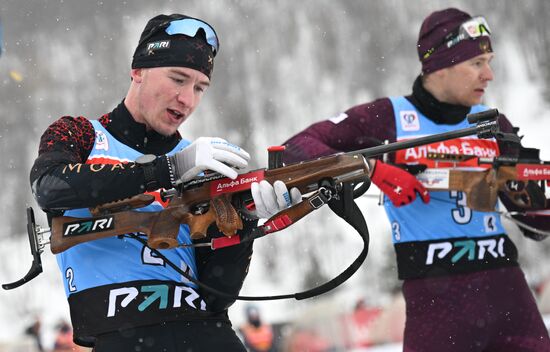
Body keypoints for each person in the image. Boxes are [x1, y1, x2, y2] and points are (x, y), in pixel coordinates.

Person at [282, 7, 550, 352]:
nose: (490, 75)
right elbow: (294, 150)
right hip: (435, 301)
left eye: (490, 61)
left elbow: (535, 223)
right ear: (440, 64)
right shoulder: (386, 118)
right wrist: (372, 169)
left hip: (508, 298)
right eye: (477, 63)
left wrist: (531, 191)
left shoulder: (494, 124)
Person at [30, 13, 300, 352]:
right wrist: (166, 170)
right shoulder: (81, 133)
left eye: (200, 87)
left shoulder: (204, 161)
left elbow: (220, 294)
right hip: (120, 334)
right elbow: (49, 186)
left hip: (207, 332)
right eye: (177, 79)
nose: (188, 99)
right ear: (138, 71)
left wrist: (245, 223)